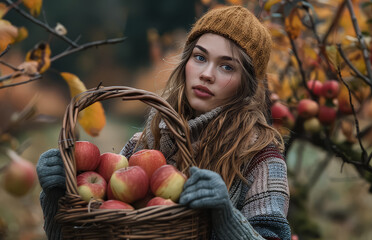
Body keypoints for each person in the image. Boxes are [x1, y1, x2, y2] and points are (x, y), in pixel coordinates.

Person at [36, 5, 291, 240]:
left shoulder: (261, 159)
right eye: (200, 58)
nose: (206, 74)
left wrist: (226, 217)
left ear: (246, 85)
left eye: (227, 67)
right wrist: (57, 193)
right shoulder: (147, 142)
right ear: (186, 62)